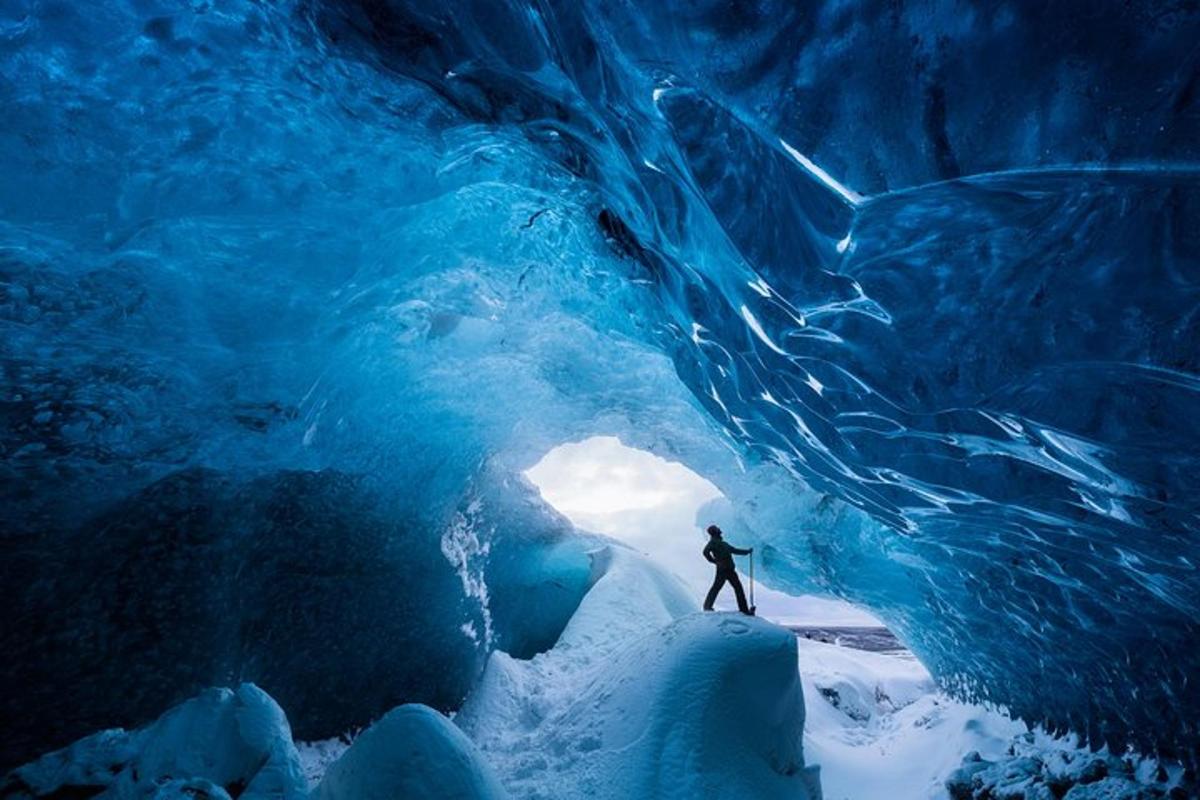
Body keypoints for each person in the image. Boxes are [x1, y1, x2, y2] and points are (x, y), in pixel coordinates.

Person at [701, 525, 752, 614]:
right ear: (714, 532)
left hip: (728, 569)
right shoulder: (713, 542)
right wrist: (714, 561)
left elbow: (734, 550)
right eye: (717, 529)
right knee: (735, 588)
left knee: (719, 588)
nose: (720, 529)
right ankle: (744, 610)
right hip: (724, 570)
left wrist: (747, 552)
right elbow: (705, 552)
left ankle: (707, 606)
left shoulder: (722, 543)